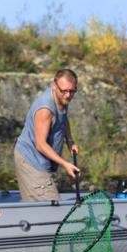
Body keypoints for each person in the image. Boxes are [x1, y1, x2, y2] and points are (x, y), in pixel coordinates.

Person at [14, 68, 81, 201]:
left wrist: (70, 141)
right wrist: (65, 164)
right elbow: (40, 145)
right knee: (52, 205)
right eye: (64, 91)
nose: (68, 95)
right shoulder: (45, 109)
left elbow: (63, 119)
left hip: (42, 162)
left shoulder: (62, 99)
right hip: (30, 160)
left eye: (72, 91)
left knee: (37, 205)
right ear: (54, 85)